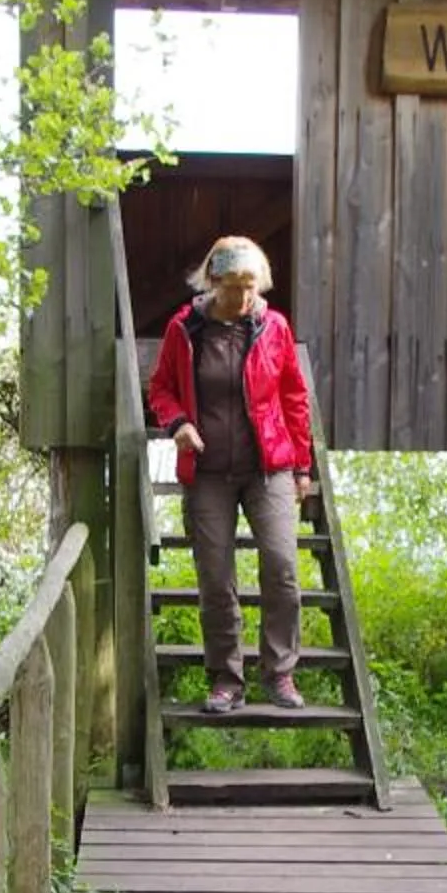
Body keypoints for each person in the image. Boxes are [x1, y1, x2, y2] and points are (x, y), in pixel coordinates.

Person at [144, 235, 315, 713]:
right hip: (208, 473)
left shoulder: (273, 326)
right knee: (216, 579)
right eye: (236, 286)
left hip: (269, 469)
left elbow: (294, 398)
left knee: (281, 569)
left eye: (252, 286)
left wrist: (302, 465)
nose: (245, 298)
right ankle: (226, 679)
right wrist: (177, 424)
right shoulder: (185, 330)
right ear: (213, 281)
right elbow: (161, 389)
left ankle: (280, 675)